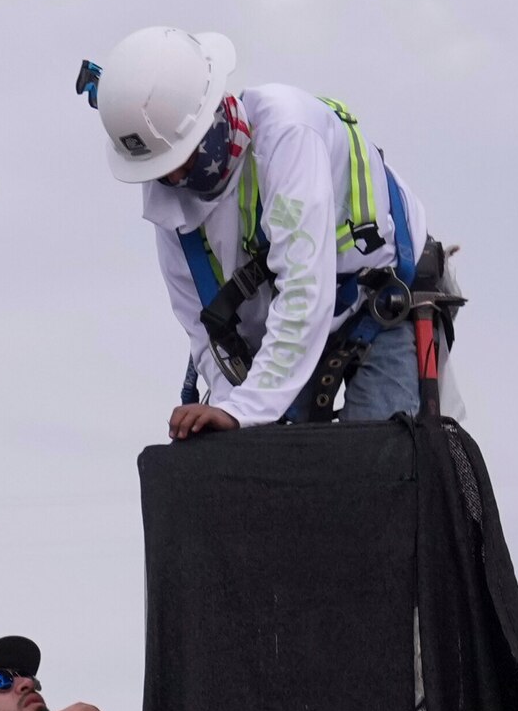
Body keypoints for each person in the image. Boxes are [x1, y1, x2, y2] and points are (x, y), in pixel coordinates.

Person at [80, 25, 449, 438]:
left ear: (216, 111)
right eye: (166, 171)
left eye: (186, 158)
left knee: (376, 460)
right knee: (277, 474)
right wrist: (228, 405)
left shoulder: (288, 134)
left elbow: (304, 290)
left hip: (382, 302)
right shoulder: (169, 201)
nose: (180, 177)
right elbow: (202, 329)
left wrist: (246, 409)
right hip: (285, 329)